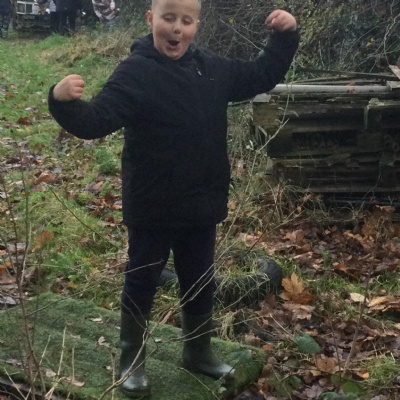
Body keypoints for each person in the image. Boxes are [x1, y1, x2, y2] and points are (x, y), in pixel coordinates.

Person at [48, 0, 298, 397]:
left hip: (201, 203)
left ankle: (197, 351)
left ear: (196, 24)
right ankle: (131, 360)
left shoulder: (211, 68)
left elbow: (260, 74)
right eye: (168, 18)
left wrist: (284, 37)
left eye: (186, 20)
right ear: (151, 20)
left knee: (199, 280)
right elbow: (96, 121)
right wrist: (61, 101)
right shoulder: (136, 72)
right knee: (142, 280)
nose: (177, 28)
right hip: (152, 206)